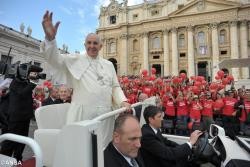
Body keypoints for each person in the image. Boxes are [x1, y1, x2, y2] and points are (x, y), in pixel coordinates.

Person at [41, 11, 130, 146]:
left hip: (105, 116)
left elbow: (115, 87)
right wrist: (50, 40)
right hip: (81, 115)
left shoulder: (109, 65)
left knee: (103, 149)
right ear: (84, 45)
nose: (92, 46)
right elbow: (55, 60)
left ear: (100, 46)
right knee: (80, 149)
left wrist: (123, 101)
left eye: (95, 43)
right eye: (89, 43)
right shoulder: (75, 60)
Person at [0, 72, 37, 162]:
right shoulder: (15, 81)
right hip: (14, 119)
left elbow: (23, 97)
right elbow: (22, 93)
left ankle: (18, 161)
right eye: (33, 73)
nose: (34, 75)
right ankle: (3, 162)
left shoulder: (26, 82)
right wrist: (32, 83)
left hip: (24, 118)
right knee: (9, 142)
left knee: (21, 143)